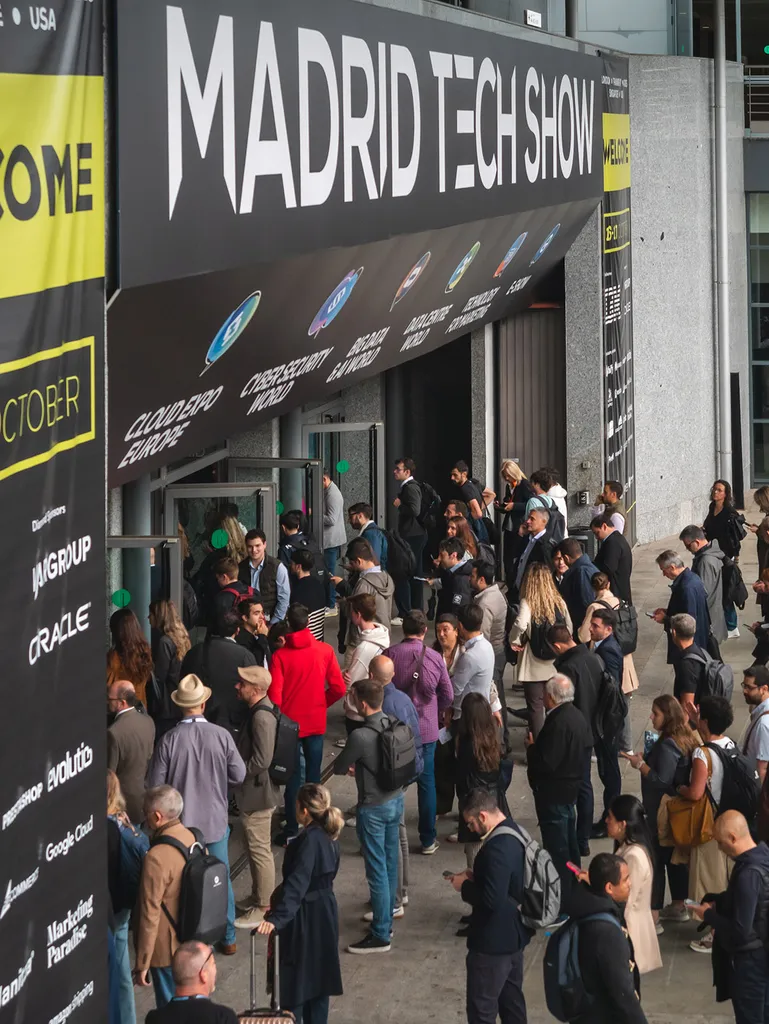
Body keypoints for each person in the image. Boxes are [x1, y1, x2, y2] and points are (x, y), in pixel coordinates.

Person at [146, 674, 246, 955]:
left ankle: (190, 940)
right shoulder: (222, 736)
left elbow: (156, 785)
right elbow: (239, 774)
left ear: (180, 706)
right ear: (203, 704)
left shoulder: (169, 740)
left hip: (181, 828)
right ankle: (227, 938)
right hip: (214, 820)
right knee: (219, 877)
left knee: (182, 884)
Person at [255, 784, 344, 1024]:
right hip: (325, 912)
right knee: (319, 984)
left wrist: (276, 919)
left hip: (304, 917)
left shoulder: (307, 841)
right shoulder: (330, 834)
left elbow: (297, 885)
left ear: (303, 810)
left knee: (296, 984)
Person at [334, 677, 406, 954]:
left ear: (362, 704)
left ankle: (380, 933)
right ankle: (385, 919)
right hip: (395, 799)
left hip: (372, 806)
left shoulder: (360, 736)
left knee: (376, 870)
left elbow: (341, 766)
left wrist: (355, 767)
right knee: (389, 864)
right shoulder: (392, 722)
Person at [448, 788, 532, 1024]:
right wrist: (477, 876)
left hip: (492, 944)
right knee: (512, 1005)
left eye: (471, 823)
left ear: (483, 816)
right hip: (514, 936)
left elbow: (492, 900)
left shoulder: (497, 848)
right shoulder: (515, 831)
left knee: (482, 1010)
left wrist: (463, 886)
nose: (470, 829)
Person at [269, 603, 346, 844]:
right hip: (315, 720)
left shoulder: (280, 656)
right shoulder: (324, 651)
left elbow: (275, 697)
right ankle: (317, 822)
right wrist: (322, 702)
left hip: (290, 726)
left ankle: (293, 828)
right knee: (314, 777)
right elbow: (339, 688)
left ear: (289, 625)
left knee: (293, 779)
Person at [622, 695, 698, 928]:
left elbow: (660, 780)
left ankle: (653, 915)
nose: (651, 717)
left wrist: (640, 765)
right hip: (677, 812)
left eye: (656, 714)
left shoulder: (667, 745)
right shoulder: (684, 737)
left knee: (655, 861)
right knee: (673, 859)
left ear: (668, 717)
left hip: (661, 812)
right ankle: (678, 904)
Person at [691, 809, 769, 1023]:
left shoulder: (747, 874)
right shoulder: (762, 856)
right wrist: (720, 900)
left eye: (720, 842)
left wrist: (708, 915)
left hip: (751, 962)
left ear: (733, 838)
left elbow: (740, 931)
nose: (719, 848)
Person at [385, 610, 454, 854]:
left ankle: (392, 834)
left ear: (403, 629)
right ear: (425, 630)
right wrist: (438, 712)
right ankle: (427, 839)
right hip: (426, 729)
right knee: (427, 783)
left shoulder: (390, 654)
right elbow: (447, 694)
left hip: (396, 730)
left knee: (394, 784)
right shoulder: (435, 657)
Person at [677, 694, 736, 952]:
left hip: (709, 822)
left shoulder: (702, 754)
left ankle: (715, 933)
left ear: (706, 721)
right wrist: (695, 722)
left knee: (711, 880)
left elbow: (696, 792)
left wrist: (680, 788)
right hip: (731, 817)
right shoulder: (729, 743)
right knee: (726, 875)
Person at [134, 786, 199, 1007]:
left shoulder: (156, 857)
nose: (144, 818)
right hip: (194, 939)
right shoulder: (193, 838)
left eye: (146, 813)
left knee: (171, 1008)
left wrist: (143, 962)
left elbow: (149, 913)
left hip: (167, 949)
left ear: (157, 816)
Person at [565, 853, 649, 1024]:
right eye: (625, 880)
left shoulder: (587, 905)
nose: (630, 884)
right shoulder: (606, 932)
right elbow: (622, 991)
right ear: (609, 887)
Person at [526, 674, 592, 880]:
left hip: (554, 793)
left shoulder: (558, 723)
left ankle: (563, 897)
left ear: (552, 697)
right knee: (569, 844)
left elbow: (546, 762)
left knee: (558, 849)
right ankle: (575, 884)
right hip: (570, 790)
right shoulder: (577, 716)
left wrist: (532, 748)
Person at [549, 625, 605, 856]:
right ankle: (582, 837)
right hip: (591, 728)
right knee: (585, 786)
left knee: (574, 785)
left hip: (572, 732)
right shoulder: (593, 658)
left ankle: (575, 838)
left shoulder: (567, 667)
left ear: (557, 646)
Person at [232, 666, 280, 930]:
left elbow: (262, 760)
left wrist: (237, 774)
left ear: (257, 690)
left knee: (260, 850)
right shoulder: (260, 712)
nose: (238, 687)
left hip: (256, 794)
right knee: (255, 848)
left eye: (243, 683)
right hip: (255, 792)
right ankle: (258, 895)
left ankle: (263, 906)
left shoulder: (261, 717)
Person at [509, 561, 572, 736]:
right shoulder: (558, 601)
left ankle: (538, 744)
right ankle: (557, 739)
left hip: (533, 662)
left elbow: (520, 623)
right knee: (558, 704)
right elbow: (569, 626)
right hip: (555, 660)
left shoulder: (527, 602)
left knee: (536, 707)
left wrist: (514, 640)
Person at [606, 794, 662, 974]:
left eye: (610, 818)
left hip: (630, 930)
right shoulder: (628, 848)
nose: (606, 821)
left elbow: (626, 899)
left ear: (623, 824)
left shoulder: (634, 856)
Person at [456, 693, 510, 870]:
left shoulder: (466, 745)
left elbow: (461, 778)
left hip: (474, 805)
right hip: (496, 801)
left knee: (475, 860)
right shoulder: (493, 737)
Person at [180, 610, 257, 730]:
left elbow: (183, 681)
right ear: (237, 630)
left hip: (198, 719)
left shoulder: (194, 652)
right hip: (234, 724)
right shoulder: (245, 656)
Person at [106, 771, 139, 1024]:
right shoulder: (124, 819)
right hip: (123, 902)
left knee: (117, 972)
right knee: (121, 968)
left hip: (112, 906)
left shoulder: (105, 825)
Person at [579, 572, 639, 697]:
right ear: (608, 585)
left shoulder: (595, 607)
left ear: (593, 587)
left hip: (603, 655)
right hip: (624, 652)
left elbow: (583, 636)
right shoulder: (620, 601)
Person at [339, 593, 390, 741]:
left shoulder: (363, 648)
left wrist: (343, 676)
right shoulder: (382, 634)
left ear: (358, 614)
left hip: (358, 711)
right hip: (375, 704)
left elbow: (351, 682)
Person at [145, 942, 237, 1023]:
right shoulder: (224, 1017)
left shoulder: (154, 1018)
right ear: (203, 975)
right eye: (213, 965)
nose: (216, 970)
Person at [470, 560, 509, 743]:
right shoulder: (496, 593)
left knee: (493, 701)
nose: (470, 579)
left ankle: (499, 741)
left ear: (481, 579)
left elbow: (482, 636)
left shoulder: (485, 604)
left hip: (492, 654)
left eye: (473, 575)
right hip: (498, 651)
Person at [107, 680, 156, 824]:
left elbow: (110, 775)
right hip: (143, 798)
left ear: (121, 703)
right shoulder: (148, 722)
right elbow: (149, 755)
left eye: (110, 699)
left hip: (123, 804)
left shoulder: (114, 732)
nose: (108, 702)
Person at [589, 604, 633, 755]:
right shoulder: (604, 644)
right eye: (591, 625)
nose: (590, 629)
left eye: (595, 626)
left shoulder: (608, 649)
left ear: (608, 629)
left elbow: (612, 682)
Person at [652, 551, 711, 662]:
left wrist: (665, 619)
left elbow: (688, 621)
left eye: (664, 570)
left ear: (672, 567)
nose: (664, 574)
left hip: (689, 646)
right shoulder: (693, 578)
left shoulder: (686, 588)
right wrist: (667, 611)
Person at [680, 524, 728, 644]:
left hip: (708, 621)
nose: (687, 549)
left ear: (696, 541)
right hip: (713, 617)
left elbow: (703, 592)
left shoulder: (706, 561)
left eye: (688, 545)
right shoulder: (710, 553)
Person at [450, 603, 497, 721]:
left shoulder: (470, 656)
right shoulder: (487, 646)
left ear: (460, 625)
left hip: (466, 715)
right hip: (482, 710)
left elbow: (455, 689)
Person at [149, 599, 191, 733]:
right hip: (180, 699)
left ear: (159, 616)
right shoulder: (181, 636)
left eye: (151, 614)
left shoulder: (164, 642)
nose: (148, 617)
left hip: (167, 703)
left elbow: (160, 675)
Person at [393, 456, 427, 616]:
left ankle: (411, 610)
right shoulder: (409, 486)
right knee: (414, 571)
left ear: (407, 472)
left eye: (398, 469)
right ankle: (415, 608)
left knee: (409, 571)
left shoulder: (411, 487)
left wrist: (401, 506)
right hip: (414, 534)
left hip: (413, 535)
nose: (395, 472)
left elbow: (415, 510)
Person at [342, 537, 394, 639]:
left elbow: (353, 612)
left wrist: (342, 589)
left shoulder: (364, 584)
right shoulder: (387, 578)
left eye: (352, 563)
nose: (351, 566)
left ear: (359, 561)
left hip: (363, 638)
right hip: (383, 635)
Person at [238, 528, 290, 623]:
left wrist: (272, 624)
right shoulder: (241, 568)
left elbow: (283, 600)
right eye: (250, 546)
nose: (254, 550)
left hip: (270, 620)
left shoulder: (277, 567)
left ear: (264, 544)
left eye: (257, 545)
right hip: (246, 621)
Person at [665, 612, 708, 721]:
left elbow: (687, 705)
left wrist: (681, 731)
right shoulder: (699, 651)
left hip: (692, 724)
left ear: (673, 633)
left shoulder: (687, 665)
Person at [498, 459, 535, 584]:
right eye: (505, 476)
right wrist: (502, 506)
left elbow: (530, 504)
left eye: (508, 475)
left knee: (516, 556)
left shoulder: (524, 485)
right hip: (509, 525)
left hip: (519, 525)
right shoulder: (510, 486)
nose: (507, 478)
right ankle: (509, 582)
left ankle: (515, 583)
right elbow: (508, 501)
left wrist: (514, 506)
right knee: (507, 558)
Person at [107, 607, 154, 705]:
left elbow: (108, 685)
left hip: (120, 709)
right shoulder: (144, 652)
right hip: (140, 708)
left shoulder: (114, 657)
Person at [557, 538, 600, 633]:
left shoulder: (581, 572)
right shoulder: (589, 567)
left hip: (583, 628)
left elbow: (586, 604)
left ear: (567, 558)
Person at [511, 506, 552, 602]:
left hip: (533, 595)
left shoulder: (545, 545)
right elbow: (516, 556)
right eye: (528, 518)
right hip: (518, 590)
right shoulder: (527, 538)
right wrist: (520, 535)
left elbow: (546, 573)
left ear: (543, 521)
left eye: (532, 519)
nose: (528, 521)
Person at [591, 512, 633, 604]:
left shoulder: (612, 543)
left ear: (604, 526)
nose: (596, 537)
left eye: (597, 533)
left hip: (615, 592)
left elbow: (609, 568)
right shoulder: (618, 539)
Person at [322, 470, 347, 613]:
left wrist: (316, 515)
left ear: (325, 479)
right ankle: (329, 602)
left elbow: (331, 519)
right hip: (329, 540)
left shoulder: (333, 495)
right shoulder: (329, 491)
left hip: (331, 541)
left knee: (329, 572)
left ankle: (331, 605)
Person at [289, 549, 327, 640]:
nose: (290, 565)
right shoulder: (318, 584)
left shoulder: (299, 590)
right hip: (319, 638)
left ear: (298, 566)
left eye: (292, 563)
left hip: (306, 640)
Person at [741, 664, 769, 783]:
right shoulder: (759, 711)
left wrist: (759, 799)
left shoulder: (763, 723)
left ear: (764, 689)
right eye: (744, 685)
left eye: (749, 687)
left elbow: (762, 767)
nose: (744, 691)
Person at [450, 460, 489, 543]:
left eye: (455, 475)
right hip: (478, 525)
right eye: (452, 475)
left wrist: (467, 524)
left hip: (474, 527)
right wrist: (478, 507)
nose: (452, 478)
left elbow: (478, 513)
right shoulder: (473, 484)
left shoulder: (466, 489)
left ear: (464, 474)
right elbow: (491, 494)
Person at [435, 536, 474, 616]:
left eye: (442, 556)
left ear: (453, 555)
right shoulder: (450, 573)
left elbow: (459, 608)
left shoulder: (461, 579)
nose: (438, 559)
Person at [278, 509, 323, 574]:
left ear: (283, 528)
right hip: (315, 580)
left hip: (297, 582)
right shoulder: (310, 540)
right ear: (298, 526)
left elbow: (284, 573)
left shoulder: (285, 549)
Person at [211, 556, 252, 627]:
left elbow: (218, 624)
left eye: (218, 578)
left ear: (224, 577)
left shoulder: (221, 598)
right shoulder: (253, 592)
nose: (217, 581)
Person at [348, 501, 388, 569]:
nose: (349, 521)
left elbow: (373, 563)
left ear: (360, 516)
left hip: (375, 577)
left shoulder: (371, 534)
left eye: (351, 517)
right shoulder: (372, 531)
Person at [236, 595, 270, 663]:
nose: (262, 617)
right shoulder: (241, 640)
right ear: (245, 617)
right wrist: (262, 637)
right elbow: (255, 662)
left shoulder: (260, 633)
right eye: (256, 613)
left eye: (262, 612)